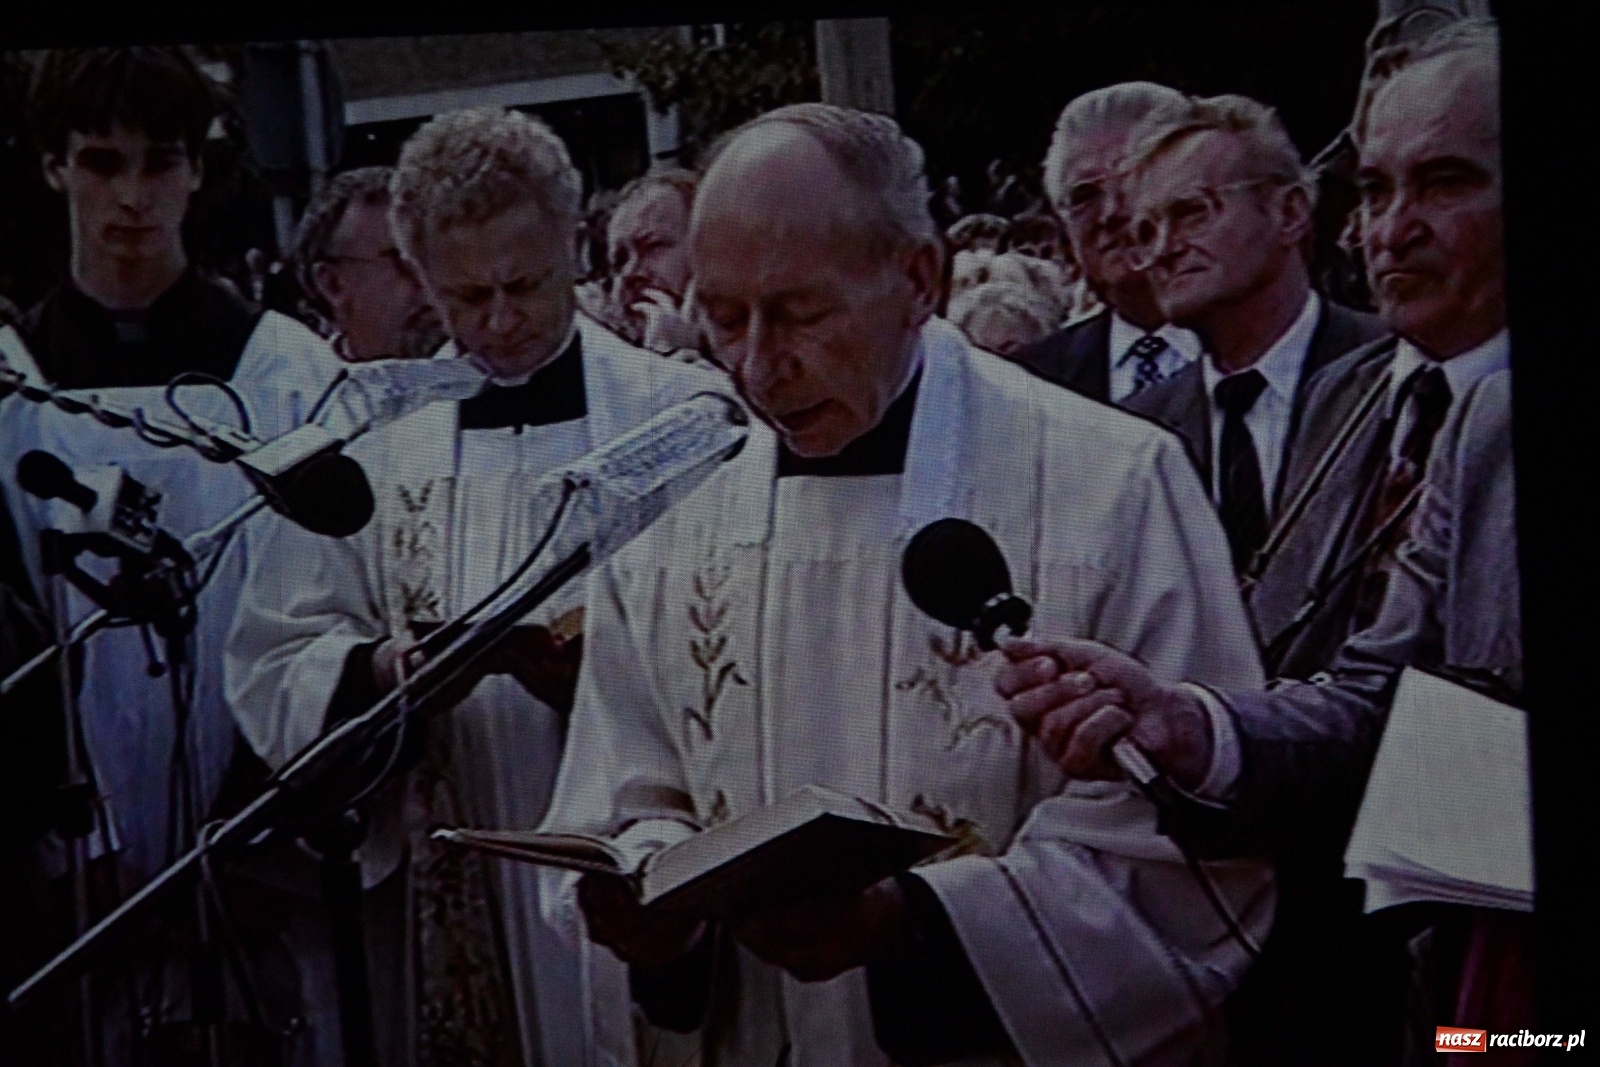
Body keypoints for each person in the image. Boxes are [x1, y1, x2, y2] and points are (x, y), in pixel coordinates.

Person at [545, 102, 1271, 1067]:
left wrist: (908, 922)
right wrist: (651, 920)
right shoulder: (674, 511)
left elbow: (1180, 846)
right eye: (724, 319)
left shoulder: (1109, 484)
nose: (759, 366)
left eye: (800, 313)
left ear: (918, 276)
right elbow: (626, 792)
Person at [997, 22, 1516, 1066]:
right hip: (1442, 964)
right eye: (1375, 190)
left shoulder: (1430, 386)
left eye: (1446, 182)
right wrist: (1188, 724)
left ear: (1287, 218)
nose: (1396, 227)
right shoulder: (1433, 400)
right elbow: (1383, 688)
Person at [223, 106, 720, 1067]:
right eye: (466, 295)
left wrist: (594, 667)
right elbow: (277, 649)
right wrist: (383, 669)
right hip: (454, 846)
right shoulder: (372, 438)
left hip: (643, 846)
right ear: (420, 278)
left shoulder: (682, 416)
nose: (499, 321)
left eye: (526, 284)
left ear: (574, 241)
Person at [2, 47, 346, 1067]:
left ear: (199, 169)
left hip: (256, 846)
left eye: (162, 162)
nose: (134, 198)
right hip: (76, 862)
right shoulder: (12, 383)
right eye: (103, 162)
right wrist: (77, 846)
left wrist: (250, 825)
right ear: (54, 166)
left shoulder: (288, 374)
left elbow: (319, 608)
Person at [1119, 94, 1387, 573]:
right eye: (1145, 232)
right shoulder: (1140, 431)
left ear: (1289, 213)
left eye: (1191, 213)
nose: (1162, 251)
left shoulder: (1395, 375)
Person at [1013, 83, 1202, 405]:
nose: (1111, 212)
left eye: (1135, 181)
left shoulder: (1274, 352)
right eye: (1085, 196)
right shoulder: (1026, 386)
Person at [291, 166, 446, 362]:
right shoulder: (309, 389)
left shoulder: (490, 378)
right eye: (404, 260)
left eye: (435, 258)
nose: (430, 281)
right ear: (333, 284)